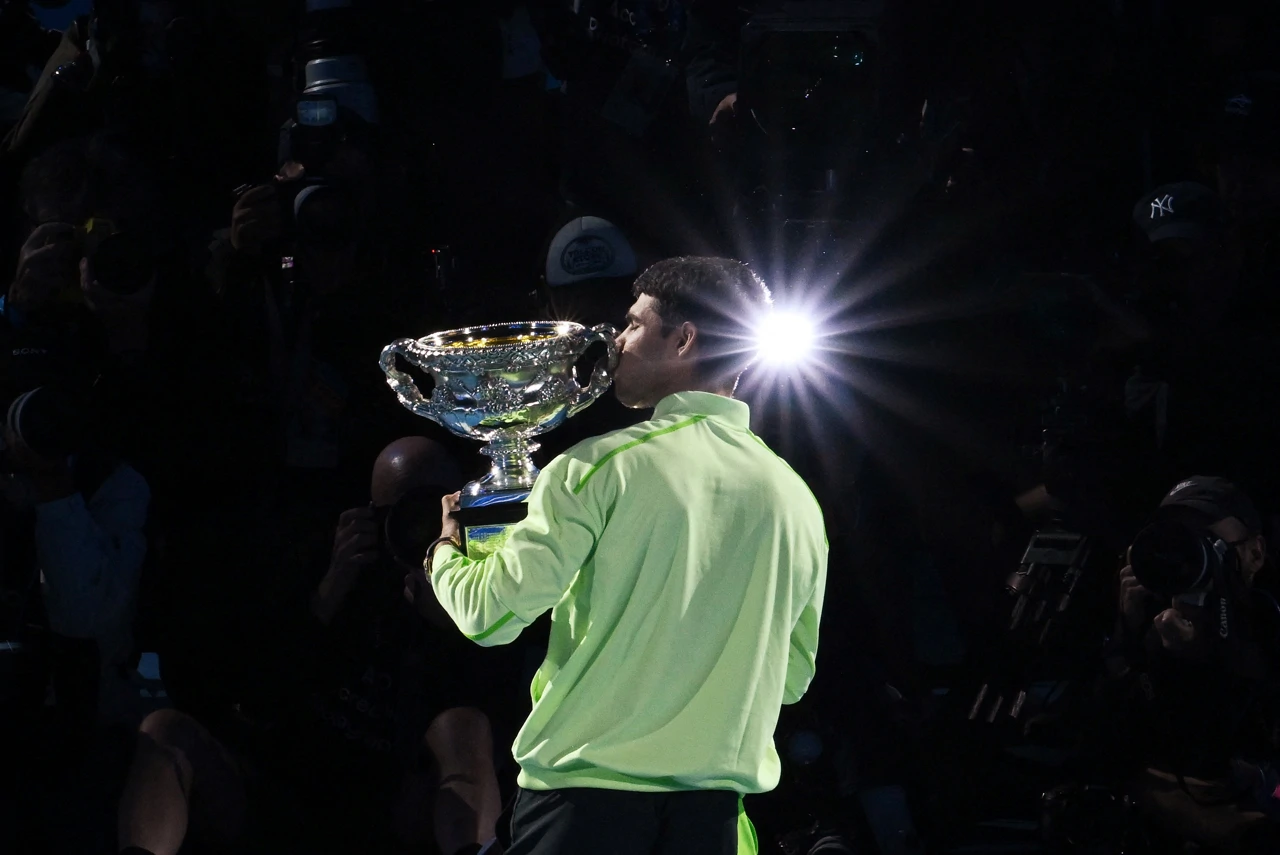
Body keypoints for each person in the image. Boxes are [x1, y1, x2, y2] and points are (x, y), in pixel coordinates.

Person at [409, 257, 829, 854]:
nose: (618, 343)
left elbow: (490, 615)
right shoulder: (797, 499)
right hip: (715, 821)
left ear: (683, 340)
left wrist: (446, 554)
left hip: (584, 812)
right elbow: (791, 679)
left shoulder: (597, 467)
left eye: (634, 325)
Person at [116, 437, 505, 855]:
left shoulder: (483, 577)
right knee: (164, 729)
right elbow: (252, 697)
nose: (417, 527)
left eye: (431, 511)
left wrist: (453, 622)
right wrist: (328, 594)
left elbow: (494, 713)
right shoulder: (328, 559)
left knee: (464, 727)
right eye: (399, 513)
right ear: (372, 513)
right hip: (283, 785)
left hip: (399, 802)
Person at [1107, 477, 1280, 850]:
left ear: (1255, 553)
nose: (1190, 550)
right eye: (1179, 536)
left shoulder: (1269, 630)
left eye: (1209, 538)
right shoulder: (1147, 629)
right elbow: (1105, 748)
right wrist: (1130, 640)